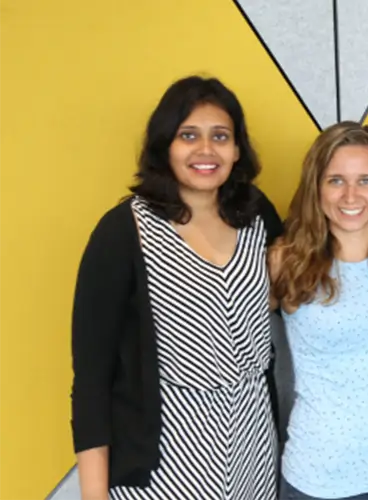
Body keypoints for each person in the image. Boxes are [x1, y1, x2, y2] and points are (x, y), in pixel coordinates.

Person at [70, 75, 283, 499]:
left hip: (255, 457)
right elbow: (91, 381)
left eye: (220, 136)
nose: (206, 150)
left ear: (237, 149)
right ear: (165, 145)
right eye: (189, 135)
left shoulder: (259, 215)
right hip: (164, 468)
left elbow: (289, 296)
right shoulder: (122, 233)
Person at [268, 122, 368, 500]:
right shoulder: (283, 261)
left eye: (366, 181)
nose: (351, 195)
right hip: (318, 477)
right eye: (336, 180)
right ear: (317, 187)